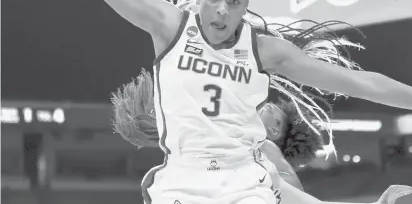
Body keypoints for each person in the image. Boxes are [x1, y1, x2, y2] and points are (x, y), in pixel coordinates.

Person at [2, 0, 412, 204]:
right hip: (182, 181)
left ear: (245, 8)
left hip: (245, 183)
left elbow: (360, 82)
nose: (222, 8)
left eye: (234, 1)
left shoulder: (265, 50)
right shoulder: (168, 25)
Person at [111, 71, 412, 204]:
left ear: (273, 132)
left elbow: (292, 193)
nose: (269, 106)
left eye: (276, 119)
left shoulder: (262, 149)